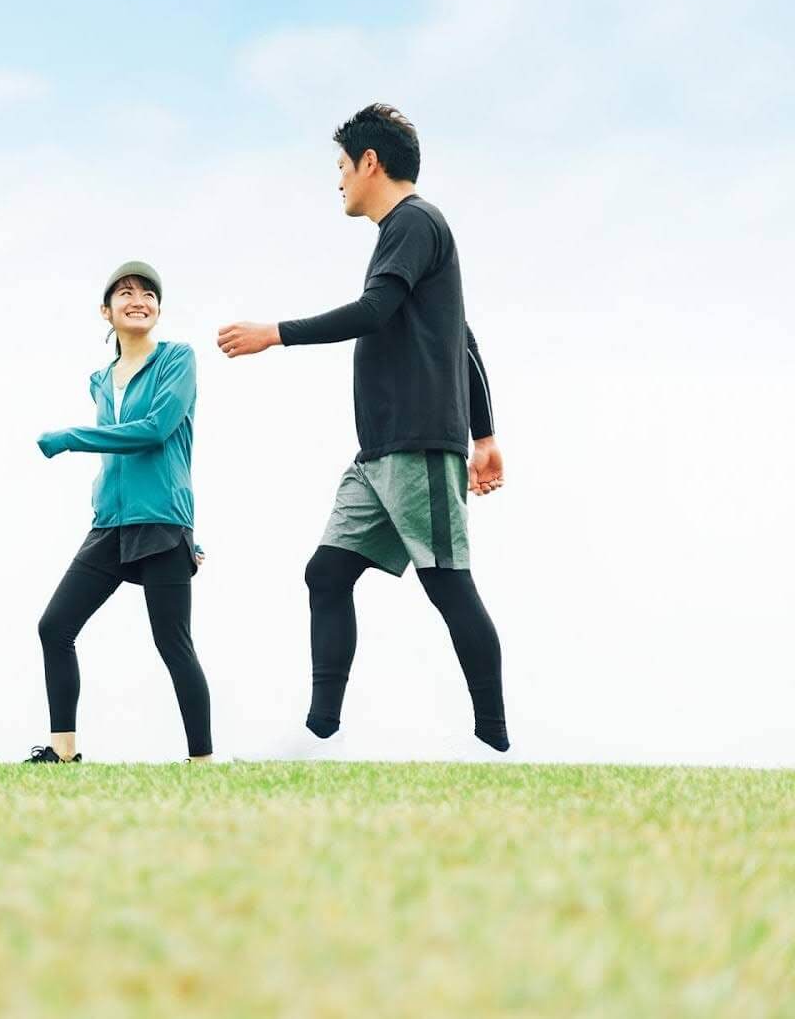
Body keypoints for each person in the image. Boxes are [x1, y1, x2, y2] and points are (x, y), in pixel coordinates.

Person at [216, 104, 510, 756]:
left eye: (342, 167)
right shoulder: (405, 233)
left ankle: (495, 743)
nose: (339, 181)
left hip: (418, 443)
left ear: (370, 162)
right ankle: (319, 733)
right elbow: (459, 336)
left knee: (448, 583)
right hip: (376, 453)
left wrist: (276, 334)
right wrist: (487, 437)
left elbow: (378, 312)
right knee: (325, 572)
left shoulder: (413, 221)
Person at [30, 261, 212, 764]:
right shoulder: (100, 380)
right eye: (126, 292)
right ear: (105, 311)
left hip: (160, 522)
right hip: (109, 525)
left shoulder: (177, 359)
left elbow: (155, 431)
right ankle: (63, 755)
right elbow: (116, 454)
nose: (139, 300)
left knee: (173, 643)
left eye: (148, 293)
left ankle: (202, 762)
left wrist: (71, 438)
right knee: (55, 627)